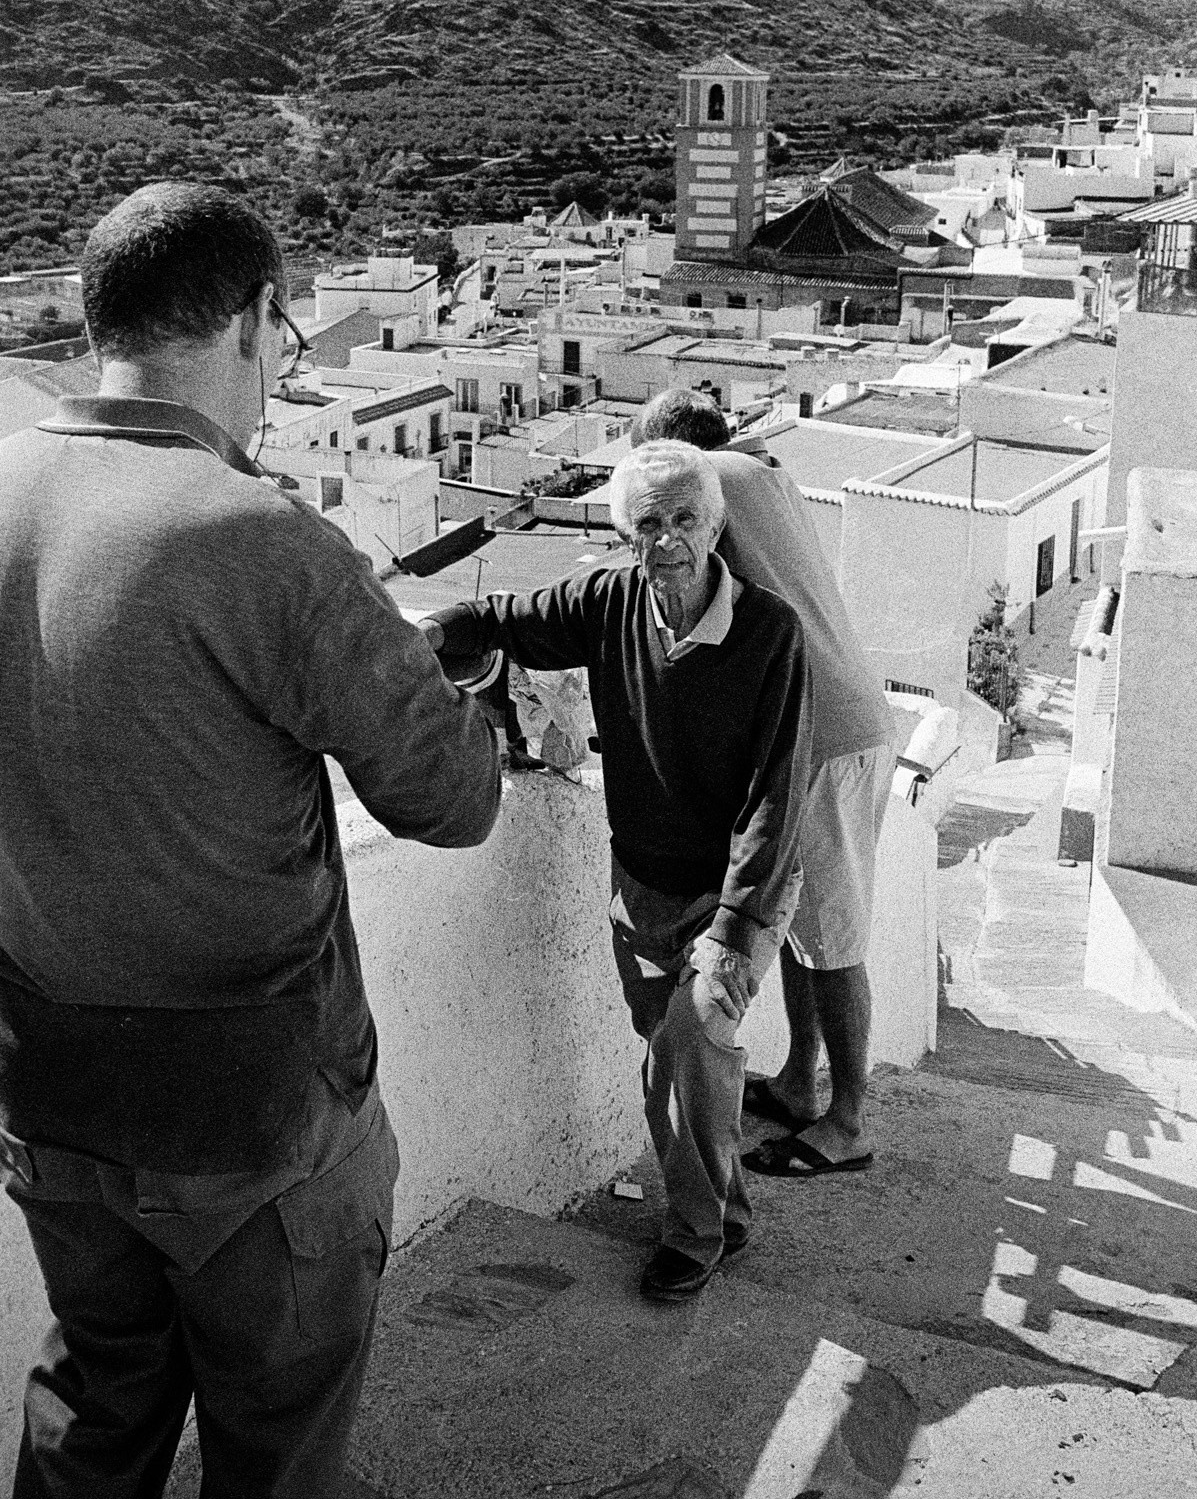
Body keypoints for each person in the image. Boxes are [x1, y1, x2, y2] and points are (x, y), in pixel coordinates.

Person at [0, 183, 501, 1498]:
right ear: (254, 319)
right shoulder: (267, 542)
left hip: (46, 1085)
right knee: (275, 1444)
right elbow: (452, 802)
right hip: (255, 1119)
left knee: (96, 1405)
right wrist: (433, 676)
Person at [426, 440, 812, 1301]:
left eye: (684, 519)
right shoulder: (609, 601)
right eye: (648, 523)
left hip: (737, 891)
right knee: (669, 1059)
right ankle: (726, 1213)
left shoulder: (769, 633)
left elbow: (777, 792)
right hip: (640, 881)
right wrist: (430, 631)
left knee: (692, 1040)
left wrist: (733, 928)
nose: (667, 539)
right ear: (626, 534)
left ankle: (693, 1236)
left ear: (714, 525)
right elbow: (498, 619)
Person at [631, 388, 898, 1178]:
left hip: (823, 734)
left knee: (833, 940)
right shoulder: (764, 475)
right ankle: (797, 1083)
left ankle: (847, 1123)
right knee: (800, 920)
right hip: (846, 721)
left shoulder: (707, 480)